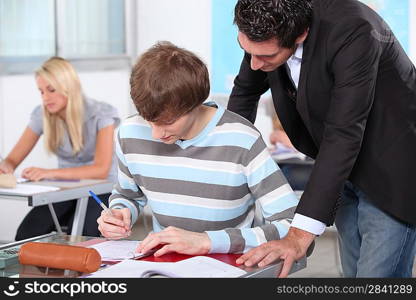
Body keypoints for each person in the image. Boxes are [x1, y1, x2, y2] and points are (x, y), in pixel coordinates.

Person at [228, 0, 416, 278]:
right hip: (342, 169)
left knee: (377, 279)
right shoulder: (266, 27)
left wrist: (297, 236)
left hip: (392, 165)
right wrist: (222, 158)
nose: (255, 64)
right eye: (247, 51)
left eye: (266, 57)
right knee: (353, 274)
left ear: (300, 34)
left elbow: (343, 132)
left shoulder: (354, 30)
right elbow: (245, 93)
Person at [97, 41, 302, 258]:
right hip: (163, 263)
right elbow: (128, 194)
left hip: (227, 265)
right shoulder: (130, 132)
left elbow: (291, 225)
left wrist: (208, 242)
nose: (156, 134)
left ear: (195, 103)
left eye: (168, 121)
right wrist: (120, 212)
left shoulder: (242, 139)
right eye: (149, 120)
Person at [0, 57, 120, 240]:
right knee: (26, 234)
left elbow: (101, 170)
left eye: (51, 90)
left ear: (68, 87)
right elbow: (12, 160)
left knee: (82, 234)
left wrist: (49, 173)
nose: (45, 98)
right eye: (41, 92)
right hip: (65, 189)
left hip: (100, 190)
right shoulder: (42, 115)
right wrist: (6, 167)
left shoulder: (101, 114)